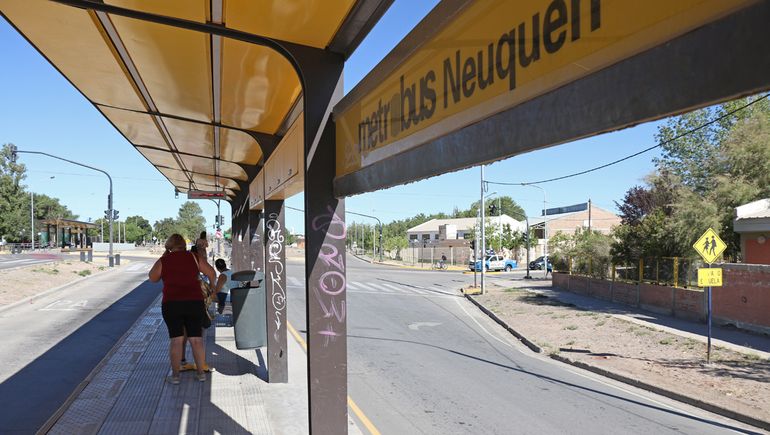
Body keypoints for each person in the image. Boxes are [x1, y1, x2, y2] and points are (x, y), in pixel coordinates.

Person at [149, 233, 216, 385]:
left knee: (176, 340)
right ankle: (201, 374)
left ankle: (175, 377)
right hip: (194, 303)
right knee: (196, 340)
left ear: (169, 246)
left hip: (172, 304)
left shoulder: (164, 260)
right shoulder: (193, 257)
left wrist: (165, 257)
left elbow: (152, 278)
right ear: (184, 245)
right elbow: (211, 273)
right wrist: (212, 288)